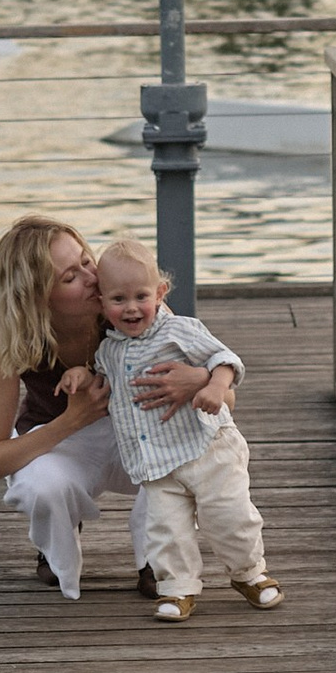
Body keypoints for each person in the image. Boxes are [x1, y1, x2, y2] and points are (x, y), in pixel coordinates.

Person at [0, 217, 218, 599]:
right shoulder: (14, 341)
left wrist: (201, 379)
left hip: (137, 437)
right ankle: (57, 548)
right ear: (38, 297)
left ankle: (158, 559)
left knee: (190, 457)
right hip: (63, 443)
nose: (91, 277)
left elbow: (221, 390)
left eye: (86, 260)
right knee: (45, 486)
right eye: (70, 277)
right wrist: (71, 420)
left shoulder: (129, 306)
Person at [90, 233, 280, 623]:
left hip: (207, 447)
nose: (131, 308)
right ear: (101, 303)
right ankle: (178, 589)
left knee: (230, 518)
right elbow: (101, 378)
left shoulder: (179, 330)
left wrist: (214, 385)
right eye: (118, 299)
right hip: (157, 463)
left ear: (160, 293)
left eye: (141, 296)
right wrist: (81, 374)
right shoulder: (107, 351)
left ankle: (250, 574)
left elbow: (225, 359)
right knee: (165, 531)